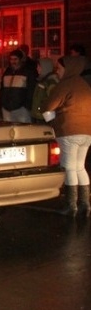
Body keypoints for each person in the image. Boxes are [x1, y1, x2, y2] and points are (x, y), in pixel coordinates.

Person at [42, 56, 91, 217]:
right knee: (80, 166)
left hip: (68, 130)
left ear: (68, 69)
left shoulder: (65, 85)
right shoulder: (85, 85)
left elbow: (48, 107)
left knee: (69, 167)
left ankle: (71, 206)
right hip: (87, 132)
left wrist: (52, 122)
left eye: (60, 68)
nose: (58, 71)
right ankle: (85, 204)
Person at [0, 49, 37, 122]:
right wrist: (2, 103)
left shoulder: (27, 72)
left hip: (21, 109)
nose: (13, 62)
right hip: (6, 108)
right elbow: (2, 89)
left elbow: (31, 90)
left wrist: (27, 106)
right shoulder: (7, 72)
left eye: (15, 59)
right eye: (11, 59)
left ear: (20, 60)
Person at [30, 58, 59, 124]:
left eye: (39, 66)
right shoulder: (42, 81)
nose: (37, 68)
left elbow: (53, 102)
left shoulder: (50, 82)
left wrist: (49, 120)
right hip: (39, 117)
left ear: (45, 67)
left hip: (45, 118)